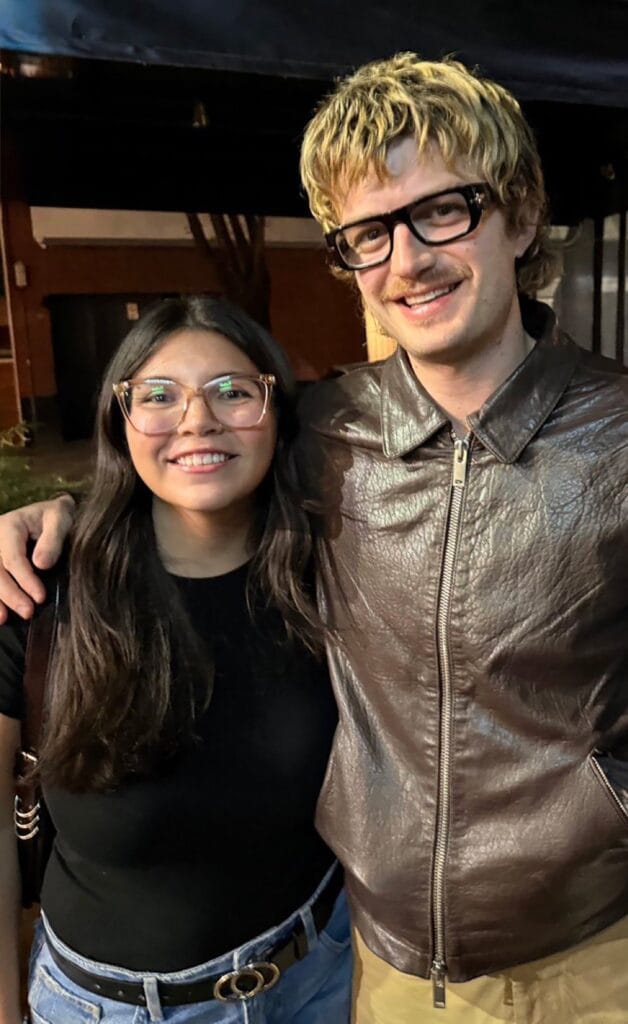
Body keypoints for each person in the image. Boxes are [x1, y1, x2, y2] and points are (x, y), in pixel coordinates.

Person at [1, 52, 628, 1024]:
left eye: (442, 210)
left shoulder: (619, 435)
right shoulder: (321, 433)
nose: (406, 259)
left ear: (519, 211)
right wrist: (64, 517)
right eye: (366, 234)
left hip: (589, 958)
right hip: (371, 965)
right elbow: (192, 466)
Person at [0, 296, 351, 1024]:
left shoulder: (333, 580)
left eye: (233, 392)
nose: (198, 420)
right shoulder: (39, 592)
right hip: (107, 1010)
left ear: (278, 410)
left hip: (318, 978)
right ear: (118, 418)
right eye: (158, 396)